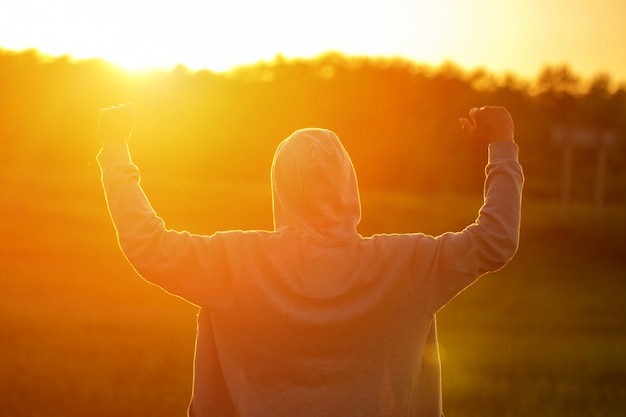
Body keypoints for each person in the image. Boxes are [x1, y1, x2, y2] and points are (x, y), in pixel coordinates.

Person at [97, 104, 523, 417]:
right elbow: (495, 240)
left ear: (280, 187)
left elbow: (147, 245)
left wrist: (116, 152)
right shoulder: (404, 264)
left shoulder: (236, 262)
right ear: (348, 183)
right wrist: (502, 146)